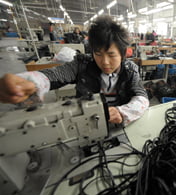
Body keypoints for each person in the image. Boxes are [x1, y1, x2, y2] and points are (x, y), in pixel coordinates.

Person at [0, 15, 149, 126]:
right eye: (98, 54)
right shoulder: (81, 65)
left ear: (123, 54)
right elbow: (53, 75)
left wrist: (123, 112)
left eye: (111, 55)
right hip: (86, 122)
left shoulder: (130, 70)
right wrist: (28, 82)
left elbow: (142, 97)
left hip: (120, 123)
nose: (104, 62)